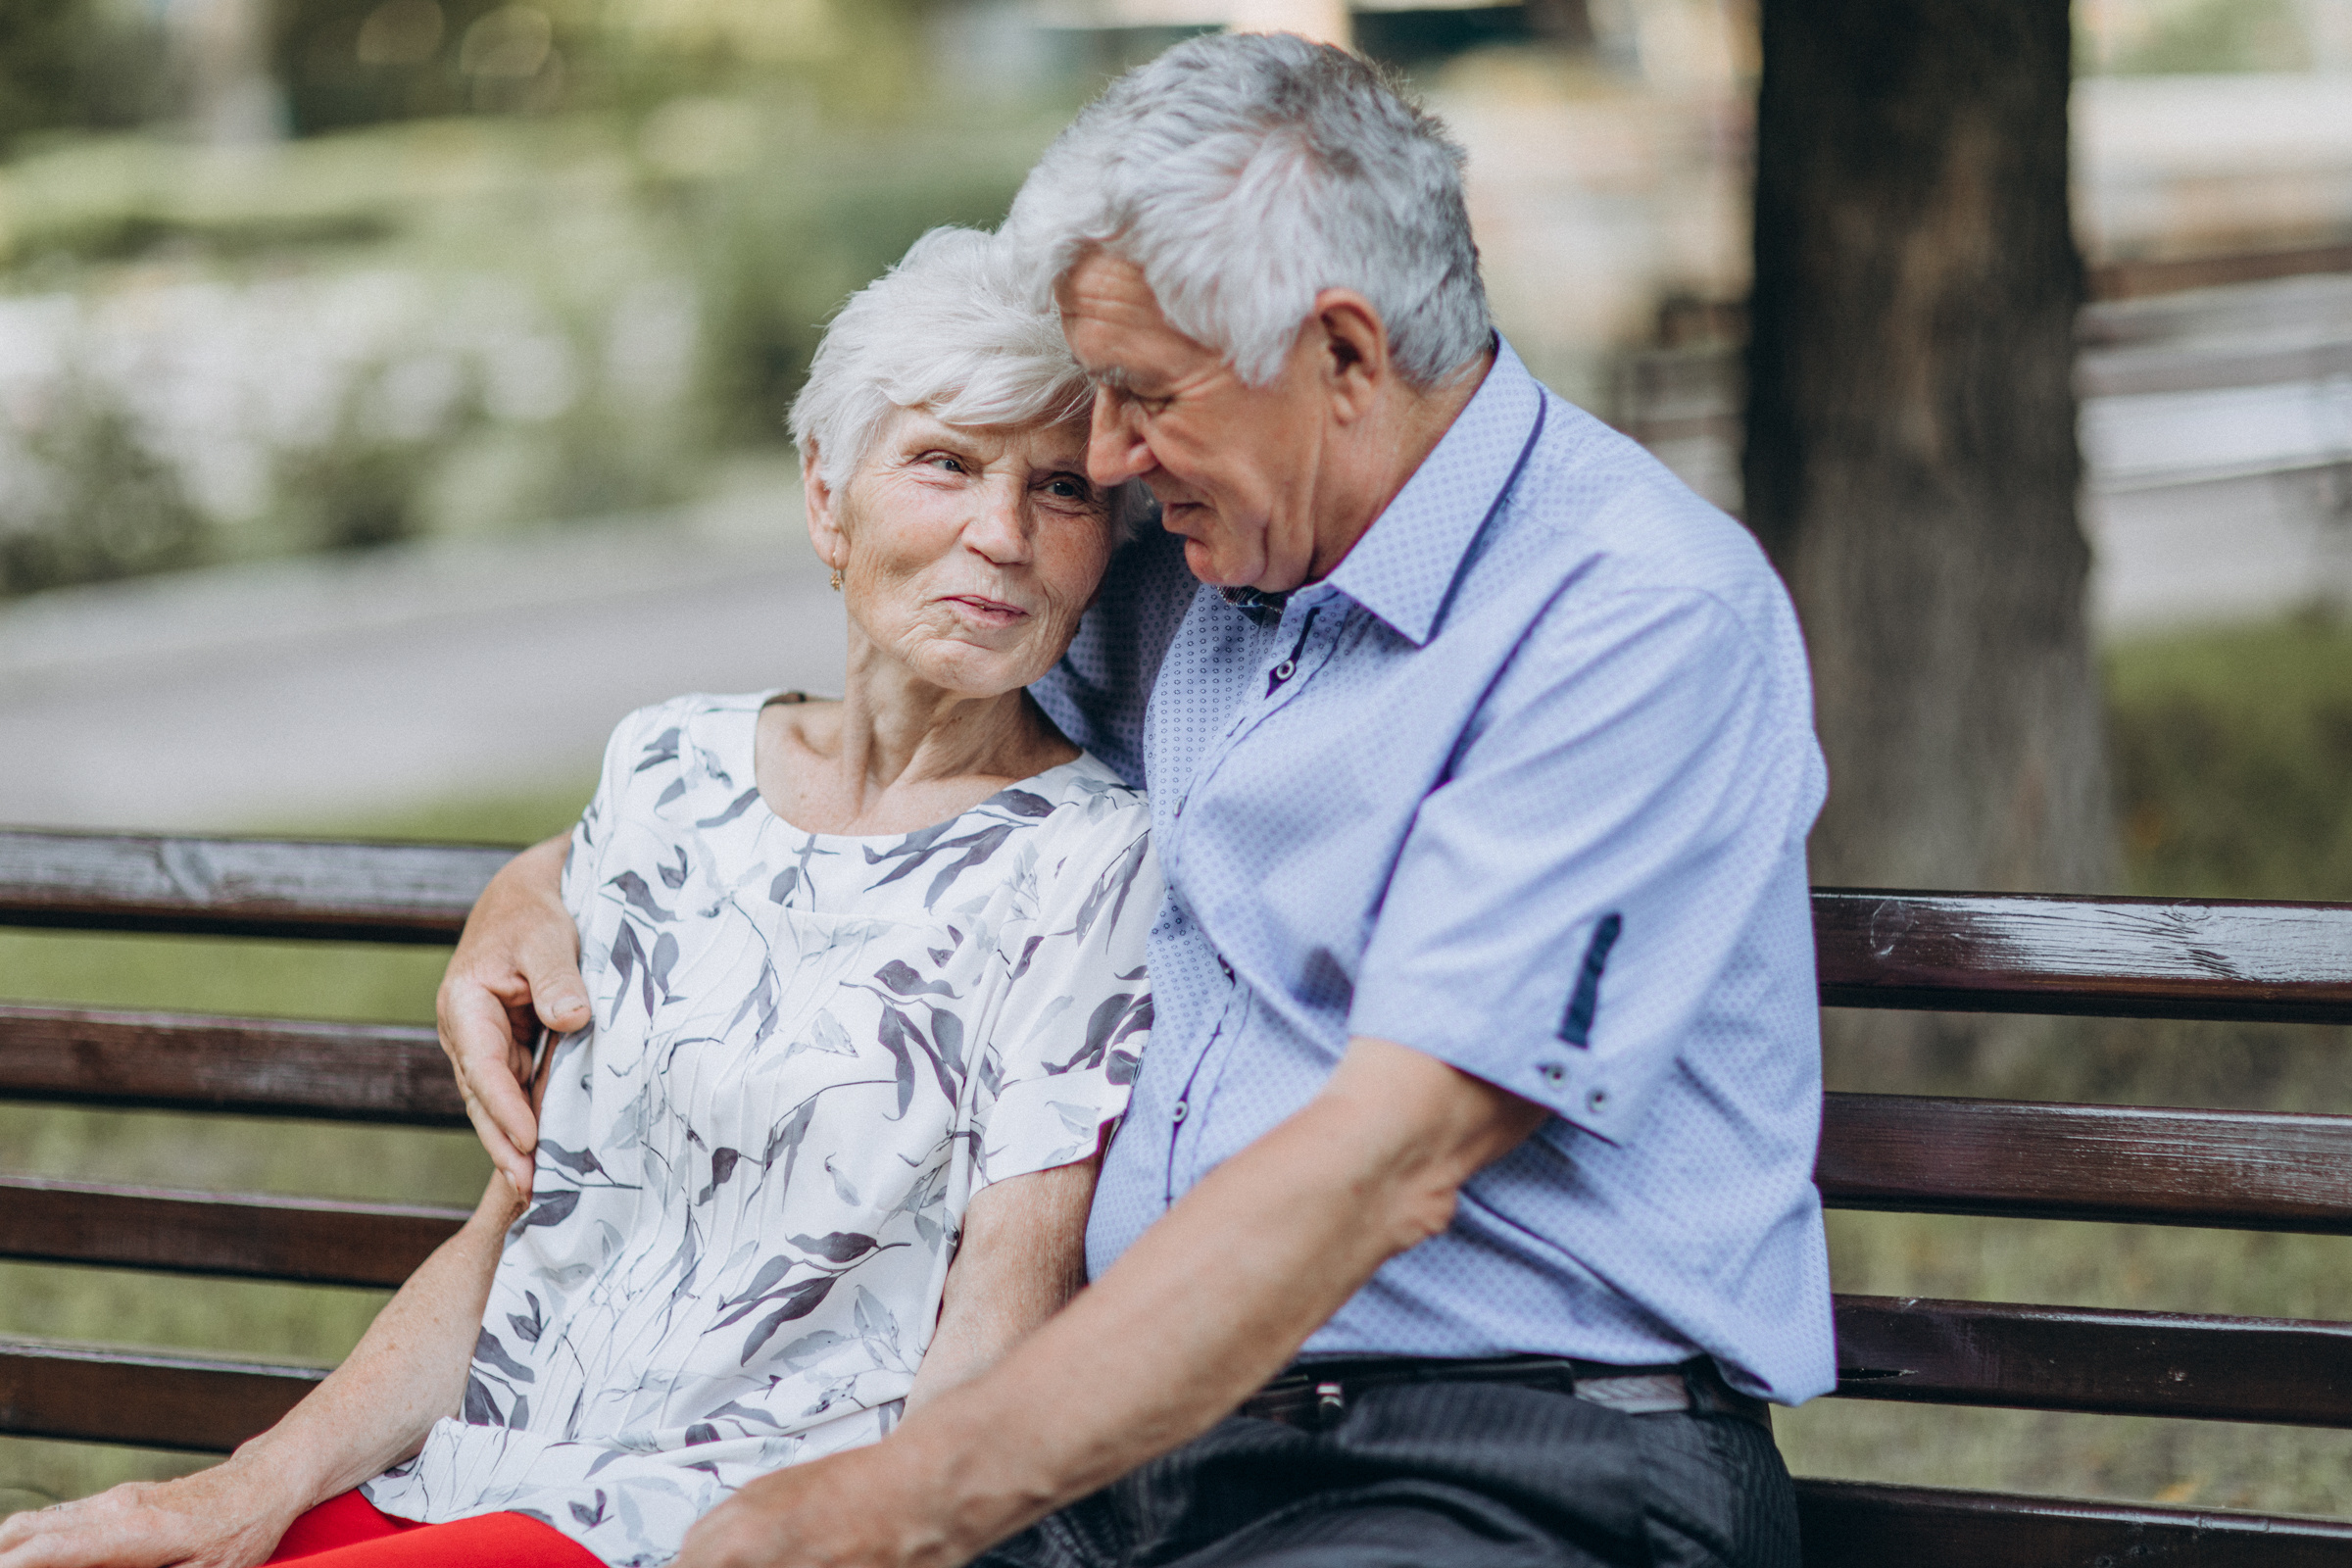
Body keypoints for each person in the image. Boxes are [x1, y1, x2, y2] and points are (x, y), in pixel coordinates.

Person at [438, 33, 1833, 1568]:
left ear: (1344, 358)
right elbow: (899, 729)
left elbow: (1391, 1159)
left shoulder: (1630, 622)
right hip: (1149, 1449)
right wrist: (547, 876)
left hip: (1513, 1457)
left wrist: (899, 1503)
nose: (1103, 458)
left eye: (1142, 393)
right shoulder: (1206, 557)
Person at [0, 226, 1159, 1568]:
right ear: (825, 497)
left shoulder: (1087, 860)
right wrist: (238, 1489)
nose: (1002, 535)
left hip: (721, 1527)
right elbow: (515, 1236)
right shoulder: (667, 767)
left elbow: (1003, 1322)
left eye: (1061, 490)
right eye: (945, 463)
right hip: (471, 1479)